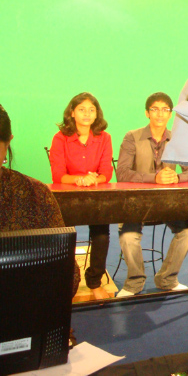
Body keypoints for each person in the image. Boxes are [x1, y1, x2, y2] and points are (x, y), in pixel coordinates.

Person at [115, 92, 188, 297]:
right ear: (147, 113)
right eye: (155, 109)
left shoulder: (177, 139)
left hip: (167, 203)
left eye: (165, 110)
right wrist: (154, 178)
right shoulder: (132, 137)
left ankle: (167, 278)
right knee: (128, 236)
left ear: (170, 114)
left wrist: (177, 177)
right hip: (136, 202)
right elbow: (121, 172)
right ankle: (134, 282)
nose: (160, 114)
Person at [0, 104, 80, 297]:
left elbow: (68, 275)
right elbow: (68, 277)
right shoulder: (35, 192)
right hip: (31, 310)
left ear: (8, 142)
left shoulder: (36, 193)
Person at [49, 93, 113, 301]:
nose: (87, 114)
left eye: (91, 110)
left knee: (102, 235)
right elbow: (58, 175)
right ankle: (66, 281)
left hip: (95, 195)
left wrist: (93, 179)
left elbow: (106, 172)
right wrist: (79, 179)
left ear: (97, 114)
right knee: (66, 236)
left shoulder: (104, 137)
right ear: (72, 113)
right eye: (82, 109)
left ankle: (94, 281)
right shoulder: (60, 138)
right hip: (68, 196)